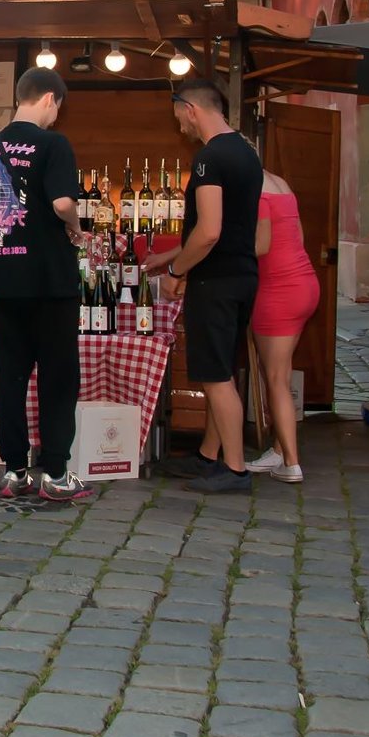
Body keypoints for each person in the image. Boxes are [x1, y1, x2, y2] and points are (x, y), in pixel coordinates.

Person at [0, 67, 89, 502]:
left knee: (11, 378)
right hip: (48, 280)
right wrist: (75, 227)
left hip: (2, 278)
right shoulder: (54, 143)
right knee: (58, 378)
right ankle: (56, 474)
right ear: (50, 100)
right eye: (58, 108)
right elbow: (62, 202)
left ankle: (14, 470)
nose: (57, 117)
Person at [147, 81, 264, 495]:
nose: (180, 125)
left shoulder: (208, 158)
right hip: (242, 275)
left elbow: (210, 231)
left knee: (214, 376)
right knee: (224, 373)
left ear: (190, 107)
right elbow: (227, 226)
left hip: (215, 280)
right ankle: (209, 457)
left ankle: (234, 470)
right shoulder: (246, 153)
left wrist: (176, 271)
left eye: (179, 115)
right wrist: (170, 255)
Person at [241, 168, 319, 483]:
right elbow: (298, 236)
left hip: (277, 289)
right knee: (281, 372)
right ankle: (278, 449)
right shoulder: (281, 183)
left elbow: (261, 244)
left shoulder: (253, 189)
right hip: (305, 282)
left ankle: (291, 462)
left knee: (274, 379)